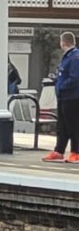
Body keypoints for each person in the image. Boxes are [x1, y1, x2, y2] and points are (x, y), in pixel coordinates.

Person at [43, 32, 79, 163]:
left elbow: (75, 78)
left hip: (73, 97)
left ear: (62, 42)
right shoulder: (67, 57)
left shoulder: (75, 57)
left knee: (74, 125)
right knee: (62, 126)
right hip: (64, 97)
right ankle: (59, 151)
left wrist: (62, 86)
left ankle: (76, 152)